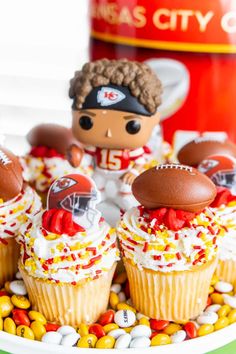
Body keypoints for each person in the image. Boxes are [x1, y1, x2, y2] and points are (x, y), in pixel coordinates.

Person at [68, 58, 162, 210]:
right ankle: (98, 198)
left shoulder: (133, 150)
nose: (109, 133)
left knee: (125, 190)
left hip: (122, 172)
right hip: (100, 171)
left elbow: (140, 160)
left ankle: (123, 200)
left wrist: (133, 171)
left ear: (154, 121)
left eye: (132, 126)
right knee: (96, 187)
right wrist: (78, 158)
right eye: (86, 121)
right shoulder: (94, 147)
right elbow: (87, 156)